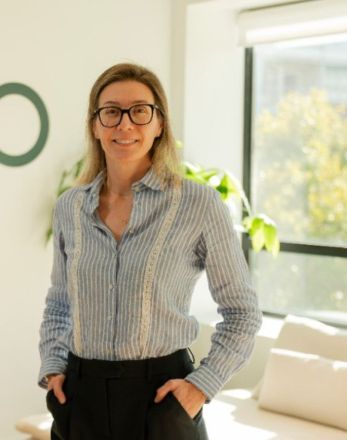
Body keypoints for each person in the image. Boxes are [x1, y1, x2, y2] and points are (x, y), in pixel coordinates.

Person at [37, 62, 263, 440]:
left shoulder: (198, 204)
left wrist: (201, 386)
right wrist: (53, 367)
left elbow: (243, 312)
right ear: (95, 125)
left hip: (162, 398)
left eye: (140, 111)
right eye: (111, 112)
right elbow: (60, 303)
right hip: (81, 398)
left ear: (159, 124)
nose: (125, 124)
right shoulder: (69, 207)